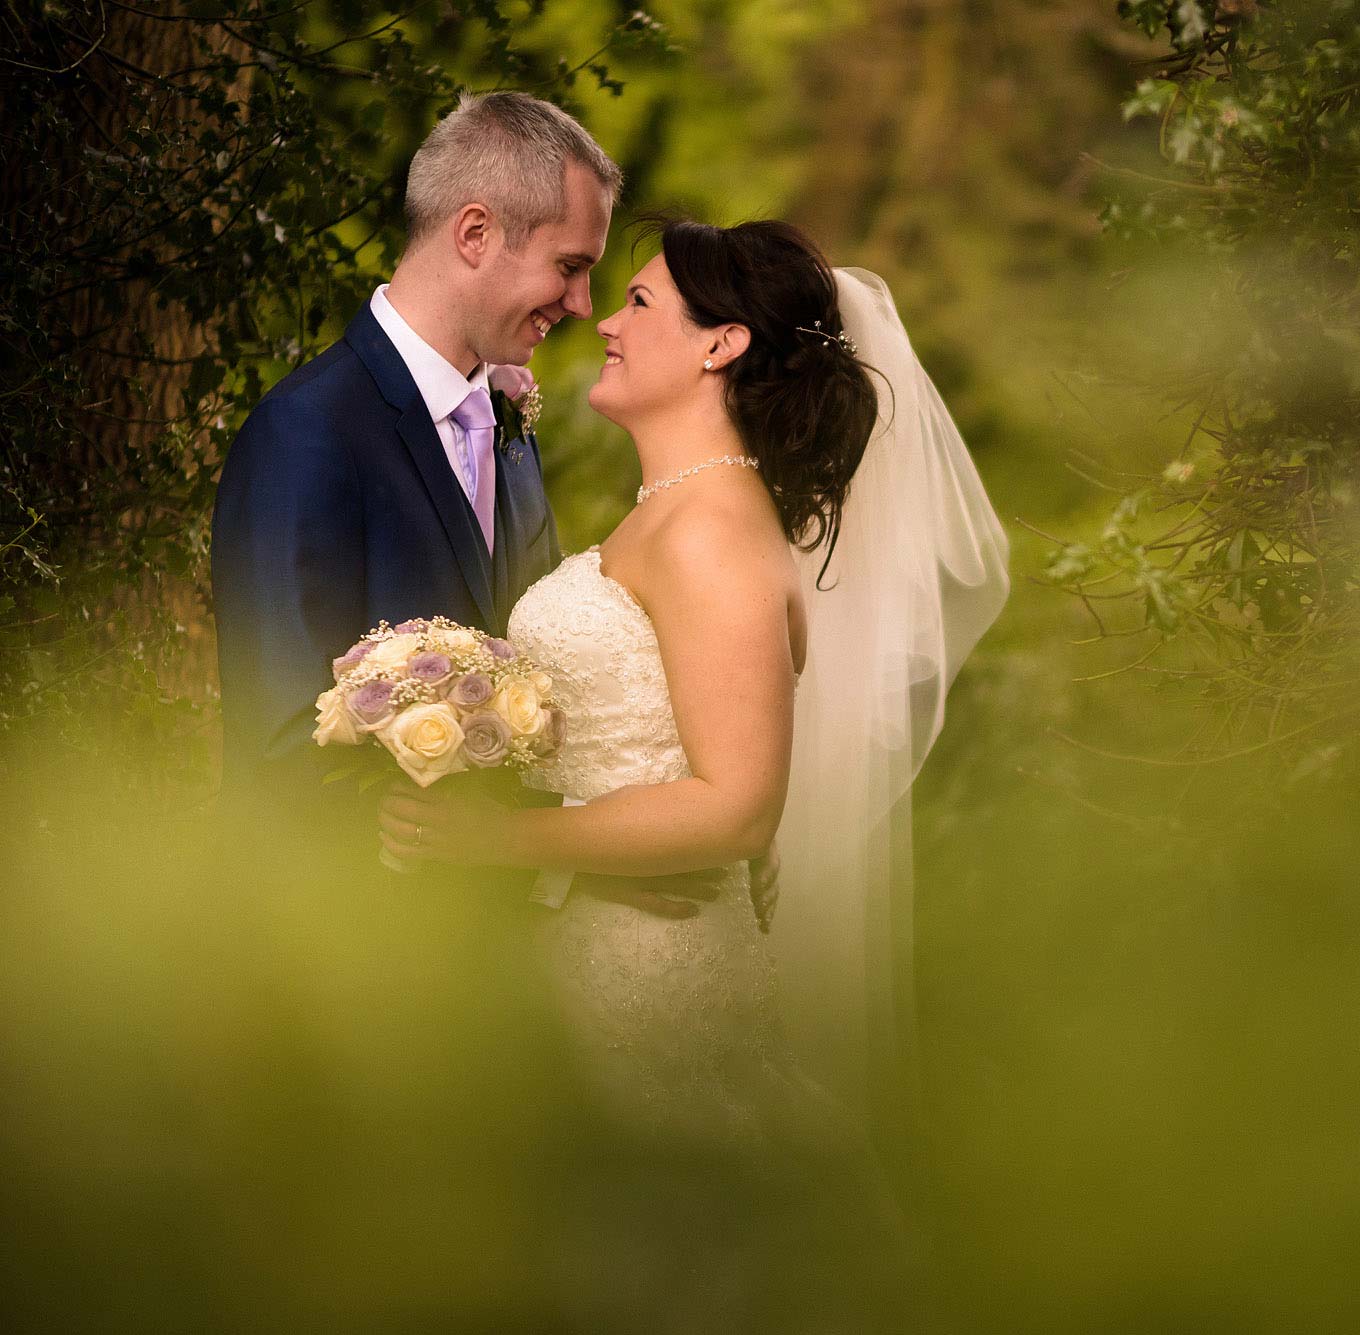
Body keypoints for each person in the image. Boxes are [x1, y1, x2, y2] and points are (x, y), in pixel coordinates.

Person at [374, 216, 1010, 1143]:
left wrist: (492, 839)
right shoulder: (673, 516)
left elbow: (736, 807)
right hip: (596, 951)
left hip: (646, 983)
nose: (605, 324)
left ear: (722, 342)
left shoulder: (711, 531)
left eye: (638, 302)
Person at [210, 91, 618, 880]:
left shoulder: (509, 426)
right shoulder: (308, 429)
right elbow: (283, 737)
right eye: (570, 266)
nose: (582, 305)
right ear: (475, 233)